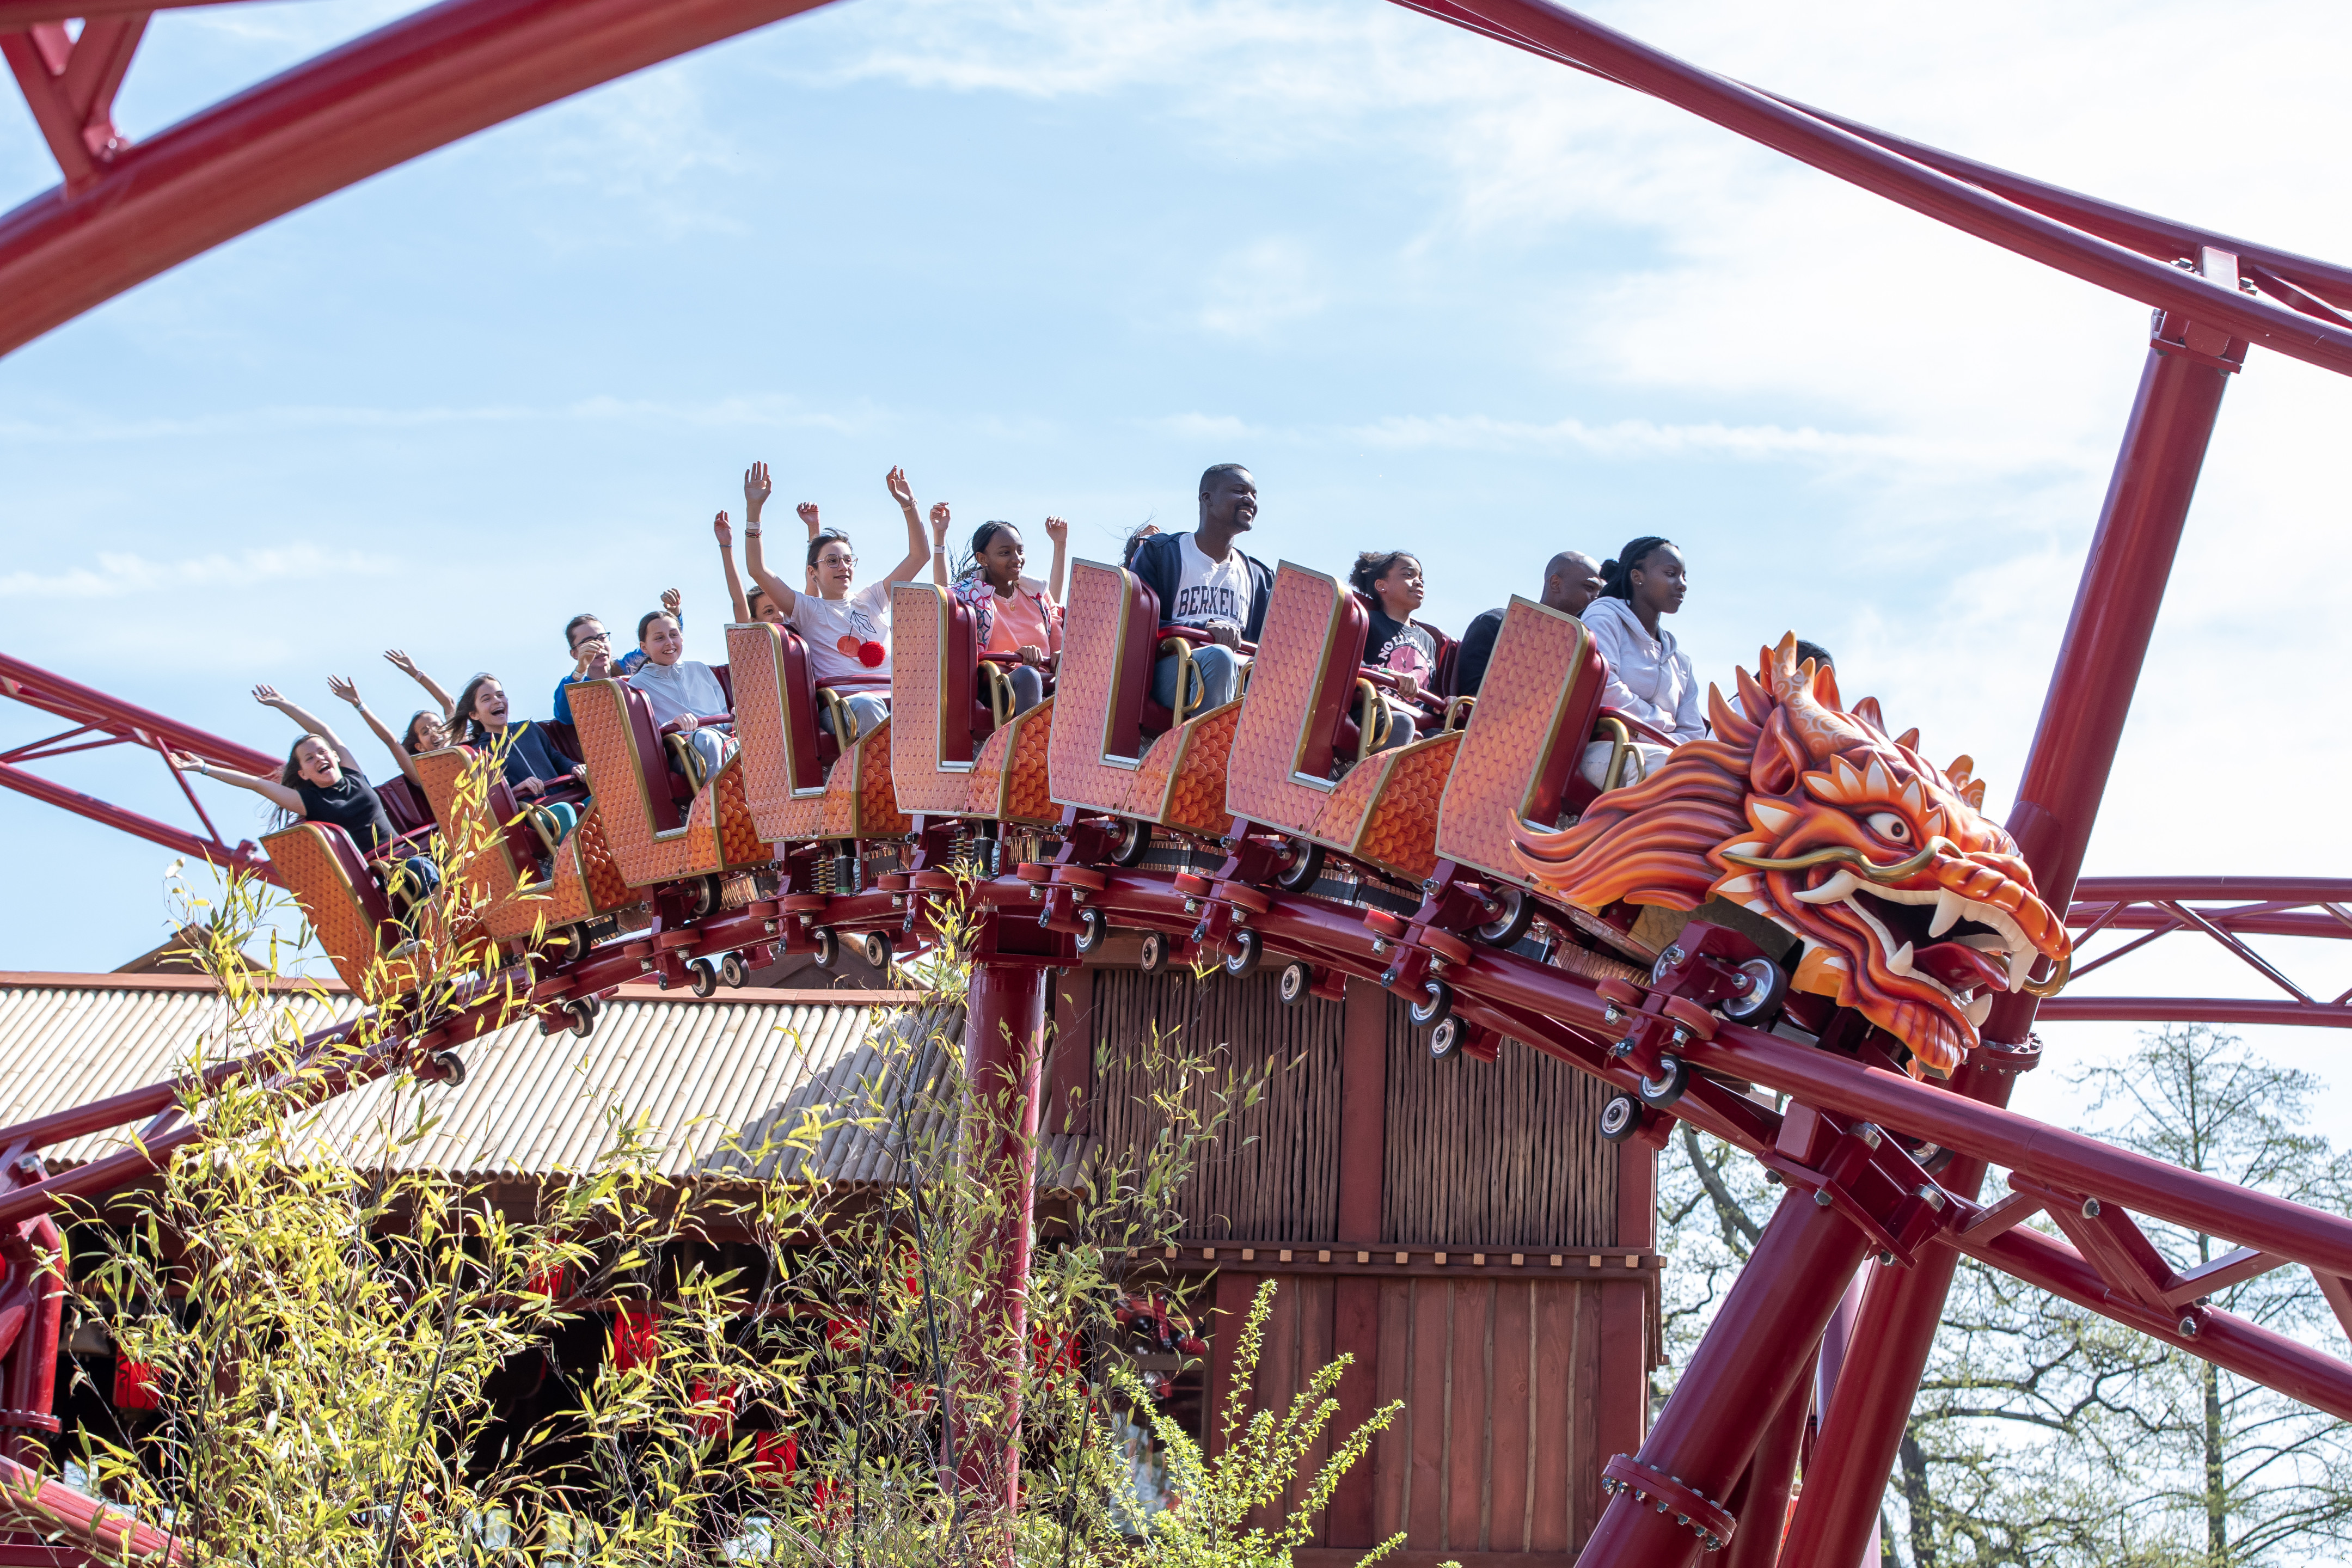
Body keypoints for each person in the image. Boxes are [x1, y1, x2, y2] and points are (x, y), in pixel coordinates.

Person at [169, 687, 438, 916]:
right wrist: (204, 767)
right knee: (420, 871)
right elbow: (255, 783)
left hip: (413, 853)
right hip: (387, 874)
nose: (319, 758)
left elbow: (322, 729)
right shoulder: (309, 801)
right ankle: (436, 922)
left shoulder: (354, 774)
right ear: (303, 774)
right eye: (310, 758)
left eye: (323, 752)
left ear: (335, 755)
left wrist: (284, 704)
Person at [739, 460, 934, 741]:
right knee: (868, 705)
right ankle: (896, 773)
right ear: (813, 572)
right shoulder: (807, 609)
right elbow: (757, 569)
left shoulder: (873, 598)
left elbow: (920, 557)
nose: (843, 566)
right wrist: (754, 510)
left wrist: (909, 504)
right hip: (845, 708)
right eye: (832, 561)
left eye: (847, 560)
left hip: (895, 701)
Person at [1128, 465, 1272, 716]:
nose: (1249, 500)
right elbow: (1136, 625)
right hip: (1173, 671)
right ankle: (1208, 752)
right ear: (1207, 498)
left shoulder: (1259, 576)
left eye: (1254, 495)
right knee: (1219, 657)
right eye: (1239, 491)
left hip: (1240, 682)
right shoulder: (1162, 553)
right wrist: (1203, 628)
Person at [1581, 536, 1701, 791]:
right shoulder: (1605, 616)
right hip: (1600, 748)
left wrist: (1657, 737)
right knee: (1667, 770)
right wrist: (1661, 726)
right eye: (1671, 574)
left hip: (1658, 751)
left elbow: (1694, 735)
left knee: (1710, 779)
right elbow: (1604, 689)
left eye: (1684, 577)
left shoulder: (1682, 663)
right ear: (1638, 577)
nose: (1682, 585)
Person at [452, 672, 589, 847]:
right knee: (562, 812)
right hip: (534, 813)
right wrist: (517, 789)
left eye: (500, 695)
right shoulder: (480, 753)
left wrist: (574, 767)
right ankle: (575, 867)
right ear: (474, 714)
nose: (497, 701)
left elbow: (555, 758)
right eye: (487, 699)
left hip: (565, 796)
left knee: (598, 800)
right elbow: (491, 797)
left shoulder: (529, 729)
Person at [951, 521, 1063, 718]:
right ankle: (1027, 746)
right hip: (998, 687)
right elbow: (967, 659)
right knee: (1028, 676)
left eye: (1020, 551)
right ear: (983, 558)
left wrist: (1061, 654)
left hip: (1048, 683)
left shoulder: (1037, 595)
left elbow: (1058, 641)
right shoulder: (966, 597)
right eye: (1005, 553)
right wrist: (1015, 658)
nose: (1017, 559)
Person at [1455, 550, 1606, 697]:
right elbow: (1473, 696)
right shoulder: (1496, 623)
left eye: (1599, 593)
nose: (1596, 598)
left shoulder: (1584, 648)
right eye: (1589, 588)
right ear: (1555, 583)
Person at [629, 609, 736, 783]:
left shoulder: (701, 669)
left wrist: (734, 720)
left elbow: (724, 716)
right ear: (644, 647)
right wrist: (672, 724)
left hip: (724, 741)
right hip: (684, 752)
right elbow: (644, 738)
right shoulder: (637, 685)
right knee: (706, 739)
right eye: (659, 638)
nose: (669, 642)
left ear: (682, 638)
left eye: (673, 635)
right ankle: (713, 804)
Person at [1349, 550, 1436, 752]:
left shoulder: (1429, 641)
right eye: (1408, 575)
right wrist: (1390, 674)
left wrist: (1449, 704)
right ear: (1382, 586)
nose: (1418, 582)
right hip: (1372, 710)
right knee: (1401, 723)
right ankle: (1369, 781)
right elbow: (1350, 666)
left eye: (1420, 578)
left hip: (1414, 717)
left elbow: (1427, 696)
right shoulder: (1368, 621)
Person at [552, 597, 678, 726]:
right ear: (575, 653)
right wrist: (581, 670)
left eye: (602, 638)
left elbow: (658, 647)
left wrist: (674, 616)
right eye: (589, 642)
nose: (599, 645)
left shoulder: (628, 665)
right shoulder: (575, 684)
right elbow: (564, 715)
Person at [382, 648, 456, 755]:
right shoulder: (424, 771)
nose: (433, 732)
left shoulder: (460, 741)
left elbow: (449, 703)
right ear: (420, 747)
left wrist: (416, 673)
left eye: (437, 726)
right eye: (425, 732)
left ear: (449, 730)